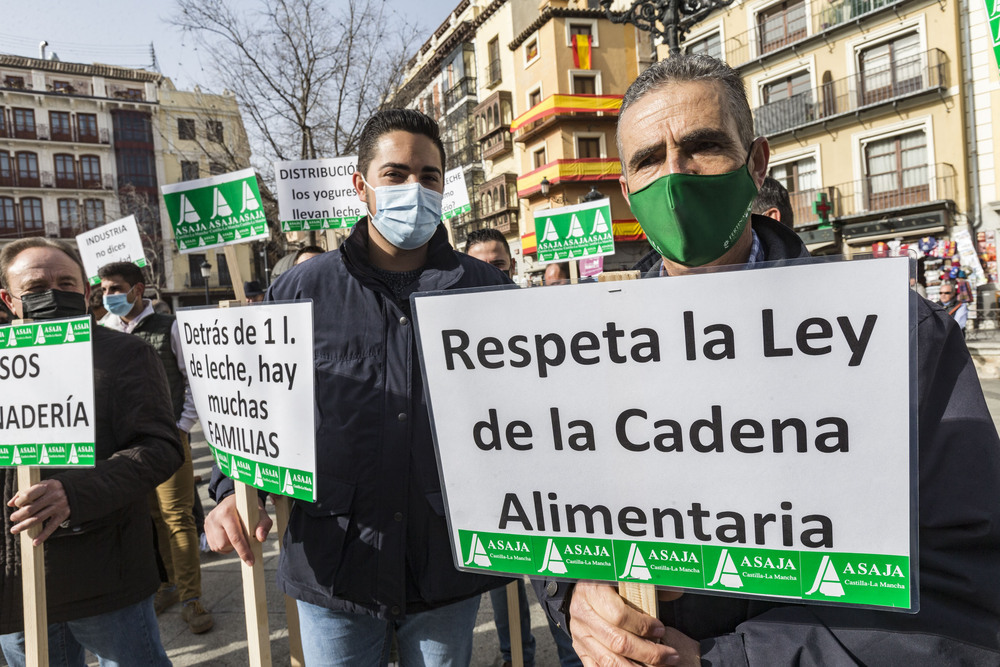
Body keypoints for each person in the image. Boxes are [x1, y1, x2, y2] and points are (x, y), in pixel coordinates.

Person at [535, 54, 1000, 666]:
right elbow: (543, 516)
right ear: (627, 190)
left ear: (756, 165)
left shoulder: (897, 337)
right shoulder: (577, 354)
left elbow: (961, 583)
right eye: (648, 160)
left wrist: (735, 660)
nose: (675, 176)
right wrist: (575, 595)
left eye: (701, 146)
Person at [204, 108, 512, 666]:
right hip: (335, 561)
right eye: (395, 174)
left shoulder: (488, 289)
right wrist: (230, 491)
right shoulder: (300, 289)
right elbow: (255, 403)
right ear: (361, 185)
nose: (414, 188)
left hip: (446, 561)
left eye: (429, 176)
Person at [0, 238, 182, 666]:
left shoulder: (126, 354)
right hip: (18, 577)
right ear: (8, 299)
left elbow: (160, 447)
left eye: (65, 281)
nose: (52, 291)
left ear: (85, 292)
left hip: (104, 572)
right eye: (35, 285)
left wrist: (73, 492)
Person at [98, 261, 213, 634]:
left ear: (137, 289)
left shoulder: (171, 327)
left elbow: (191, 379)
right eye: (103, 289)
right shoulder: (102, 331)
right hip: (125, 448)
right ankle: (167, 585)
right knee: (150, 517)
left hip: (167, 441)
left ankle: (192, 599)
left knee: (177, 516)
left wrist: (181, 427)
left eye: (115, 288)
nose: (108, 296)